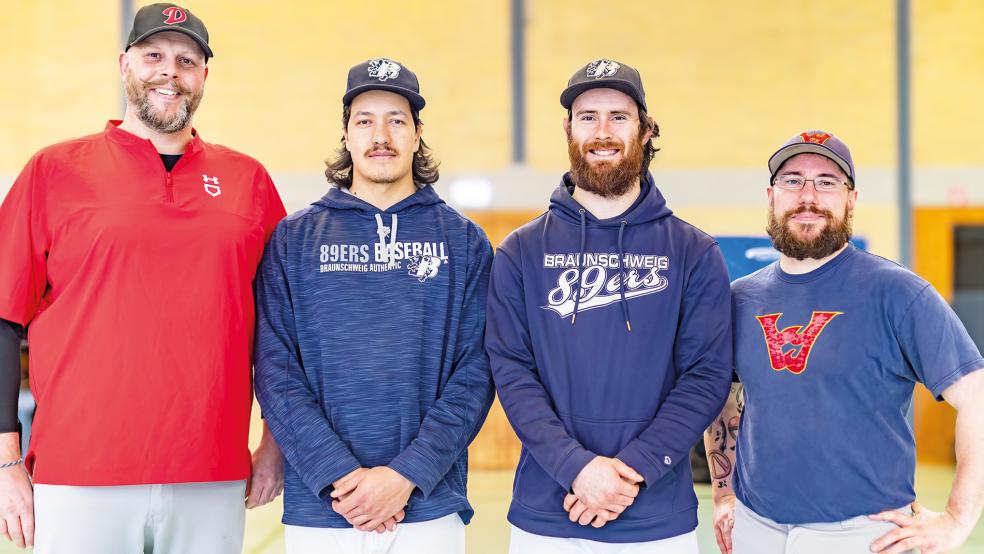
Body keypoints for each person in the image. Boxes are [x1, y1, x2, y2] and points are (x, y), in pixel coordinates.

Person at [0, 3, 287, 552]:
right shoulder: (54, 171)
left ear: (204, 75)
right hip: (79, 473)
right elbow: (3, 320)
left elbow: (283, 331)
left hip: (212, 472)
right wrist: (7, 461)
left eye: (187, 60)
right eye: (153, 55)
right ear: (124, 64)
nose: (169, 72)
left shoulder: (248, 181)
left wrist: (273, 445)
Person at [485, 58, 733, 553]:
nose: (603, 131)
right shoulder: (521, 252)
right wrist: (575, 468)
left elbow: (706, 376)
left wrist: (633, 471)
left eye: (619, 116)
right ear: (568, 128)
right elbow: (511, 370)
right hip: (545, 518)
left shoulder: (693, 252)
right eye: (588, 116)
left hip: (657, 520)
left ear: (644, 129)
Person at [253, 57, 495, 554]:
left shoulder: (465, 242)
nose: (380, 134)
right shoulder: (293, 240)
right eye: (364, 120)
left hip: (428, 506)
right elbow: (275, 369)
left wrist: (407, 474)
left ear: (417, 132)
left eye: (396, 120)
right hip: (322, 507)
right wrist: (337, 474)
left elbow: (477, 371)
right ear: (346, 133)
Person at [705, 130, 984, 554]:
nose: (808, 195)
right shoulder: (740, 297)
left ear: (851, 199)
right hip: (756, 526)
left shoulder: (898, 293)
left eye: (827, 182)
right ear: (771, 195)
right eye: (793, 180)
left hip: (862, 532)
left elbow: (977, 399)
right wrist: (724, 494)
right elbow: (721, 392)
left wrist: (957, 521)